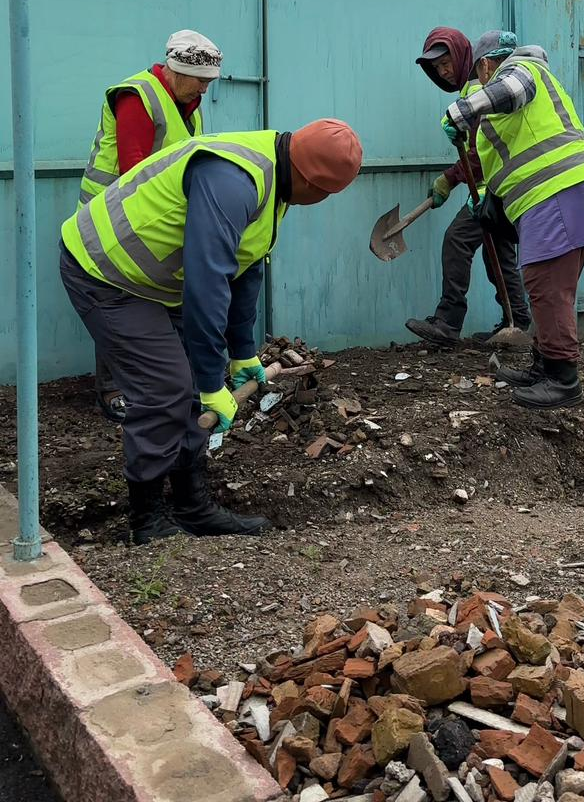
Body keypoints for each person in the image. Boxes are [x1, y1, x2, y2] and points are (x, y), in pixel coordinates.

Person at [60, 119, 363, 545]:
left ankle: (192, 507)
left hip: (157, 279)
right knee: (165, 388)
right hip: (106, 270)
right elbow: (207, 283)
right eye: (326, 193)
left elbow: (245, 266)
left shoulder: (276, 177)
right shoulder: (232, 181)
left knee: (186, 388)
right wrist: (208, 383)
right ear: (312, 181)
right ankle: (147, 522)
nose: (322, 201)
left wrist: (241, 352)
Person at [443, 30, 584, 410]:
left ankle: (563, 380)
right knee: (548, 284)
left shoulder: (520, 68)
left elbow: (513, 88)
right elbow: (508, 159)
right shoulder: (507, 109)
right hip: (559, 191)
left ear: (486, 66)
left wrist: (461, 111)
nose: (479, 83)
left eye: (479, 75)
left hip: (558, 188)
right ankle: (545, 365)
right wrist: (489, 199)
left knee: (545, 283)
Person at [78, 29, 223, 423]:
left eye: (210, 82)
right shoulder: (138, 97)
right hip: (110, 217)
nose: (205, 89)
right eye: (201, 80)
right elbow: (134, 170)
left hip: (150, 215)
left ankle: (166, 382)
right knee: (119, 300)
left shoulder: (188, 104)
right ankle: (113, 388)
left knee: (155, 300)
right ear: (176, 70)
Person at [406, 27, 530, 345]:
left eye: (446, 63)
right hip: (503, 186)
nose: (443, 72)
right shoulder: (473, 89)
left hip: (494, 189)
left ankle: (448, 322)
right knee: (498, 254)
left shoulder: (479, 88)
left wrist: (448, 179)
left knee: (457, 240)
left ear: (464, 56)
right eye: (437, 68)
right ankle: (518, 322)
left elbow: (479, 154)